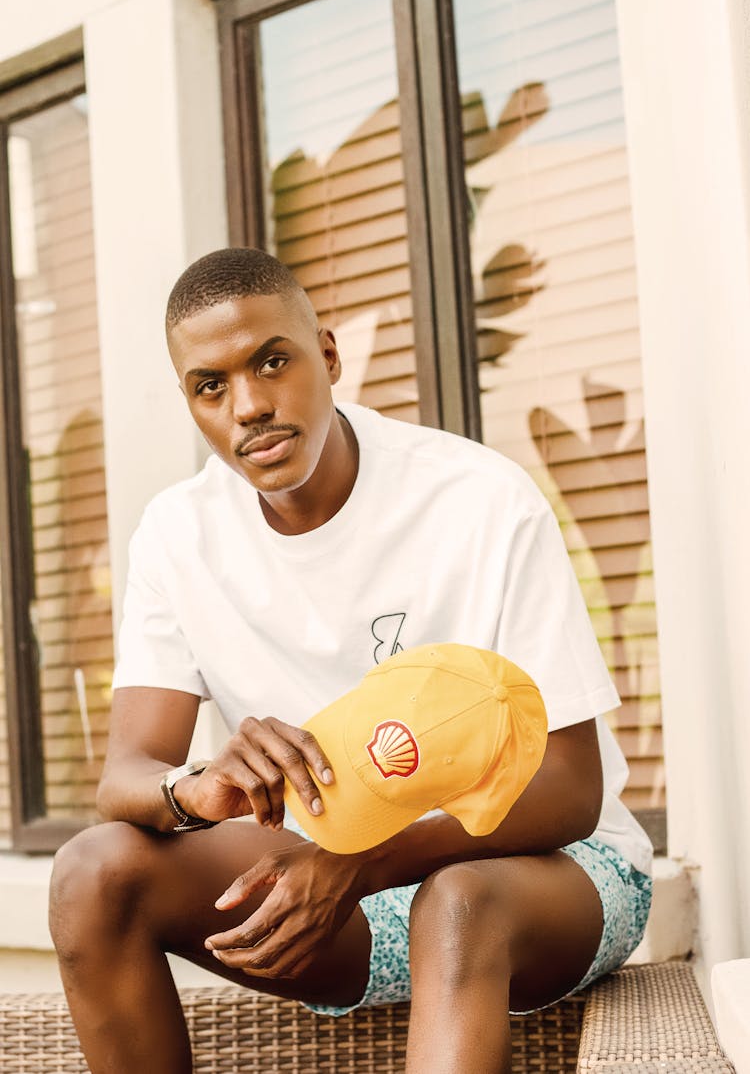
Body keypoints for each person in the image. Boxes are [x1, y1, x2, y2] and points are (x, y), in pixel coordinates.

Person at [49, 247, 653, 1074]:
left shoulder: (478, 498)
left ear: (327, 356)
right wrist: (198, 787)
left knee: (459, 904)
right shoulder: (177, 533)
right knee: (92, 871)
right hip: (328, 880)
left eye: (271, 361)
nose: (251, 406)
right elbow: (126, 773)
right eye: (211, 386)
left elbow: (571, 788)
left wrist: (357, 861)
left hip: (545, 876)